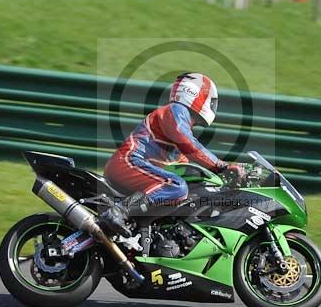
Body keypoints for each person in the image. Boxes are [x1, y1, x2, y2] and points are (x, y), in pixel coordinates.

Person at [101, 72, 244, 236]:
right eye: (210, 100)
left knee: (188, 189)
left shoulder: (180, 122)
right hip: (129, 162)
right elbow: (188, 143)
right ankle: (119, 211)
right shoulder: (176, 110)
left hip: (137, 169)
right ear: (194, 93)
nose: (212, 105)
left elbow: (183, 165)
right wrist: (221, 166)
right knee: (176, 186)